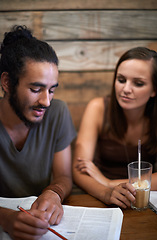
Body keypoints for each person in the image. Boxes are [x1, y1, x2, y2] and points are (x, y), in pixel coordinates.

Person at [0, 25, 76, 239]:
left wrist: (54, 192)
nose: (46, 101)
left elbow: (63, 176)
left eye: (52, 90)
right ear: (7, 82)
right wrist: (5, 218)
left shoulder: (58, 112)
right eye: (36, 89)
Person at [73, 47, 157, 209]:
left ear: (154, 89)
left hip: (141, 202)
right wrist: (106, 192)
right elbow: (79, 169)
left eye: (138, 83)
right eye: (121, 80)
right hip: (100, 199)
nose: (126, 89)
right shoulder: (98, 108)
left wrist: (109, 183)